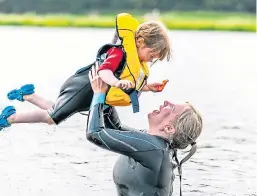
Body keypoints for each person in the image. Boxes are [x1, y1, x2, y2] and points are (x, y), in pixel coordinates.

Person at [0, 13, 171, 131]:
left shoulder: (135, 63)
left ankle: (27, 95)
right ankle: (10, 117)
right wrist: (116, 83)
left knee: (56, 108)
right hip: (82, 88)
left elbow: (129, 82)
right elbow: (104, 72)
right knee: (51, 118)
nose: (150, 60)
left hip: (92, 93)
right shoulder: (119, 53)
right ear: (140, 42)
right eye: (151, 55)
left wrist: (148, 87)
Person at [86, 64, 203, 196]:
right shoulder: (151, 143)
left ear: (169, 128)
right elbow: (114, 127)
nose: (166, 102)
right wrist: (110, 89)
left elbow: (95, 133)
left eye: (172, 108)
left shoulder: (153, 149)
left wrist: (99, 94)